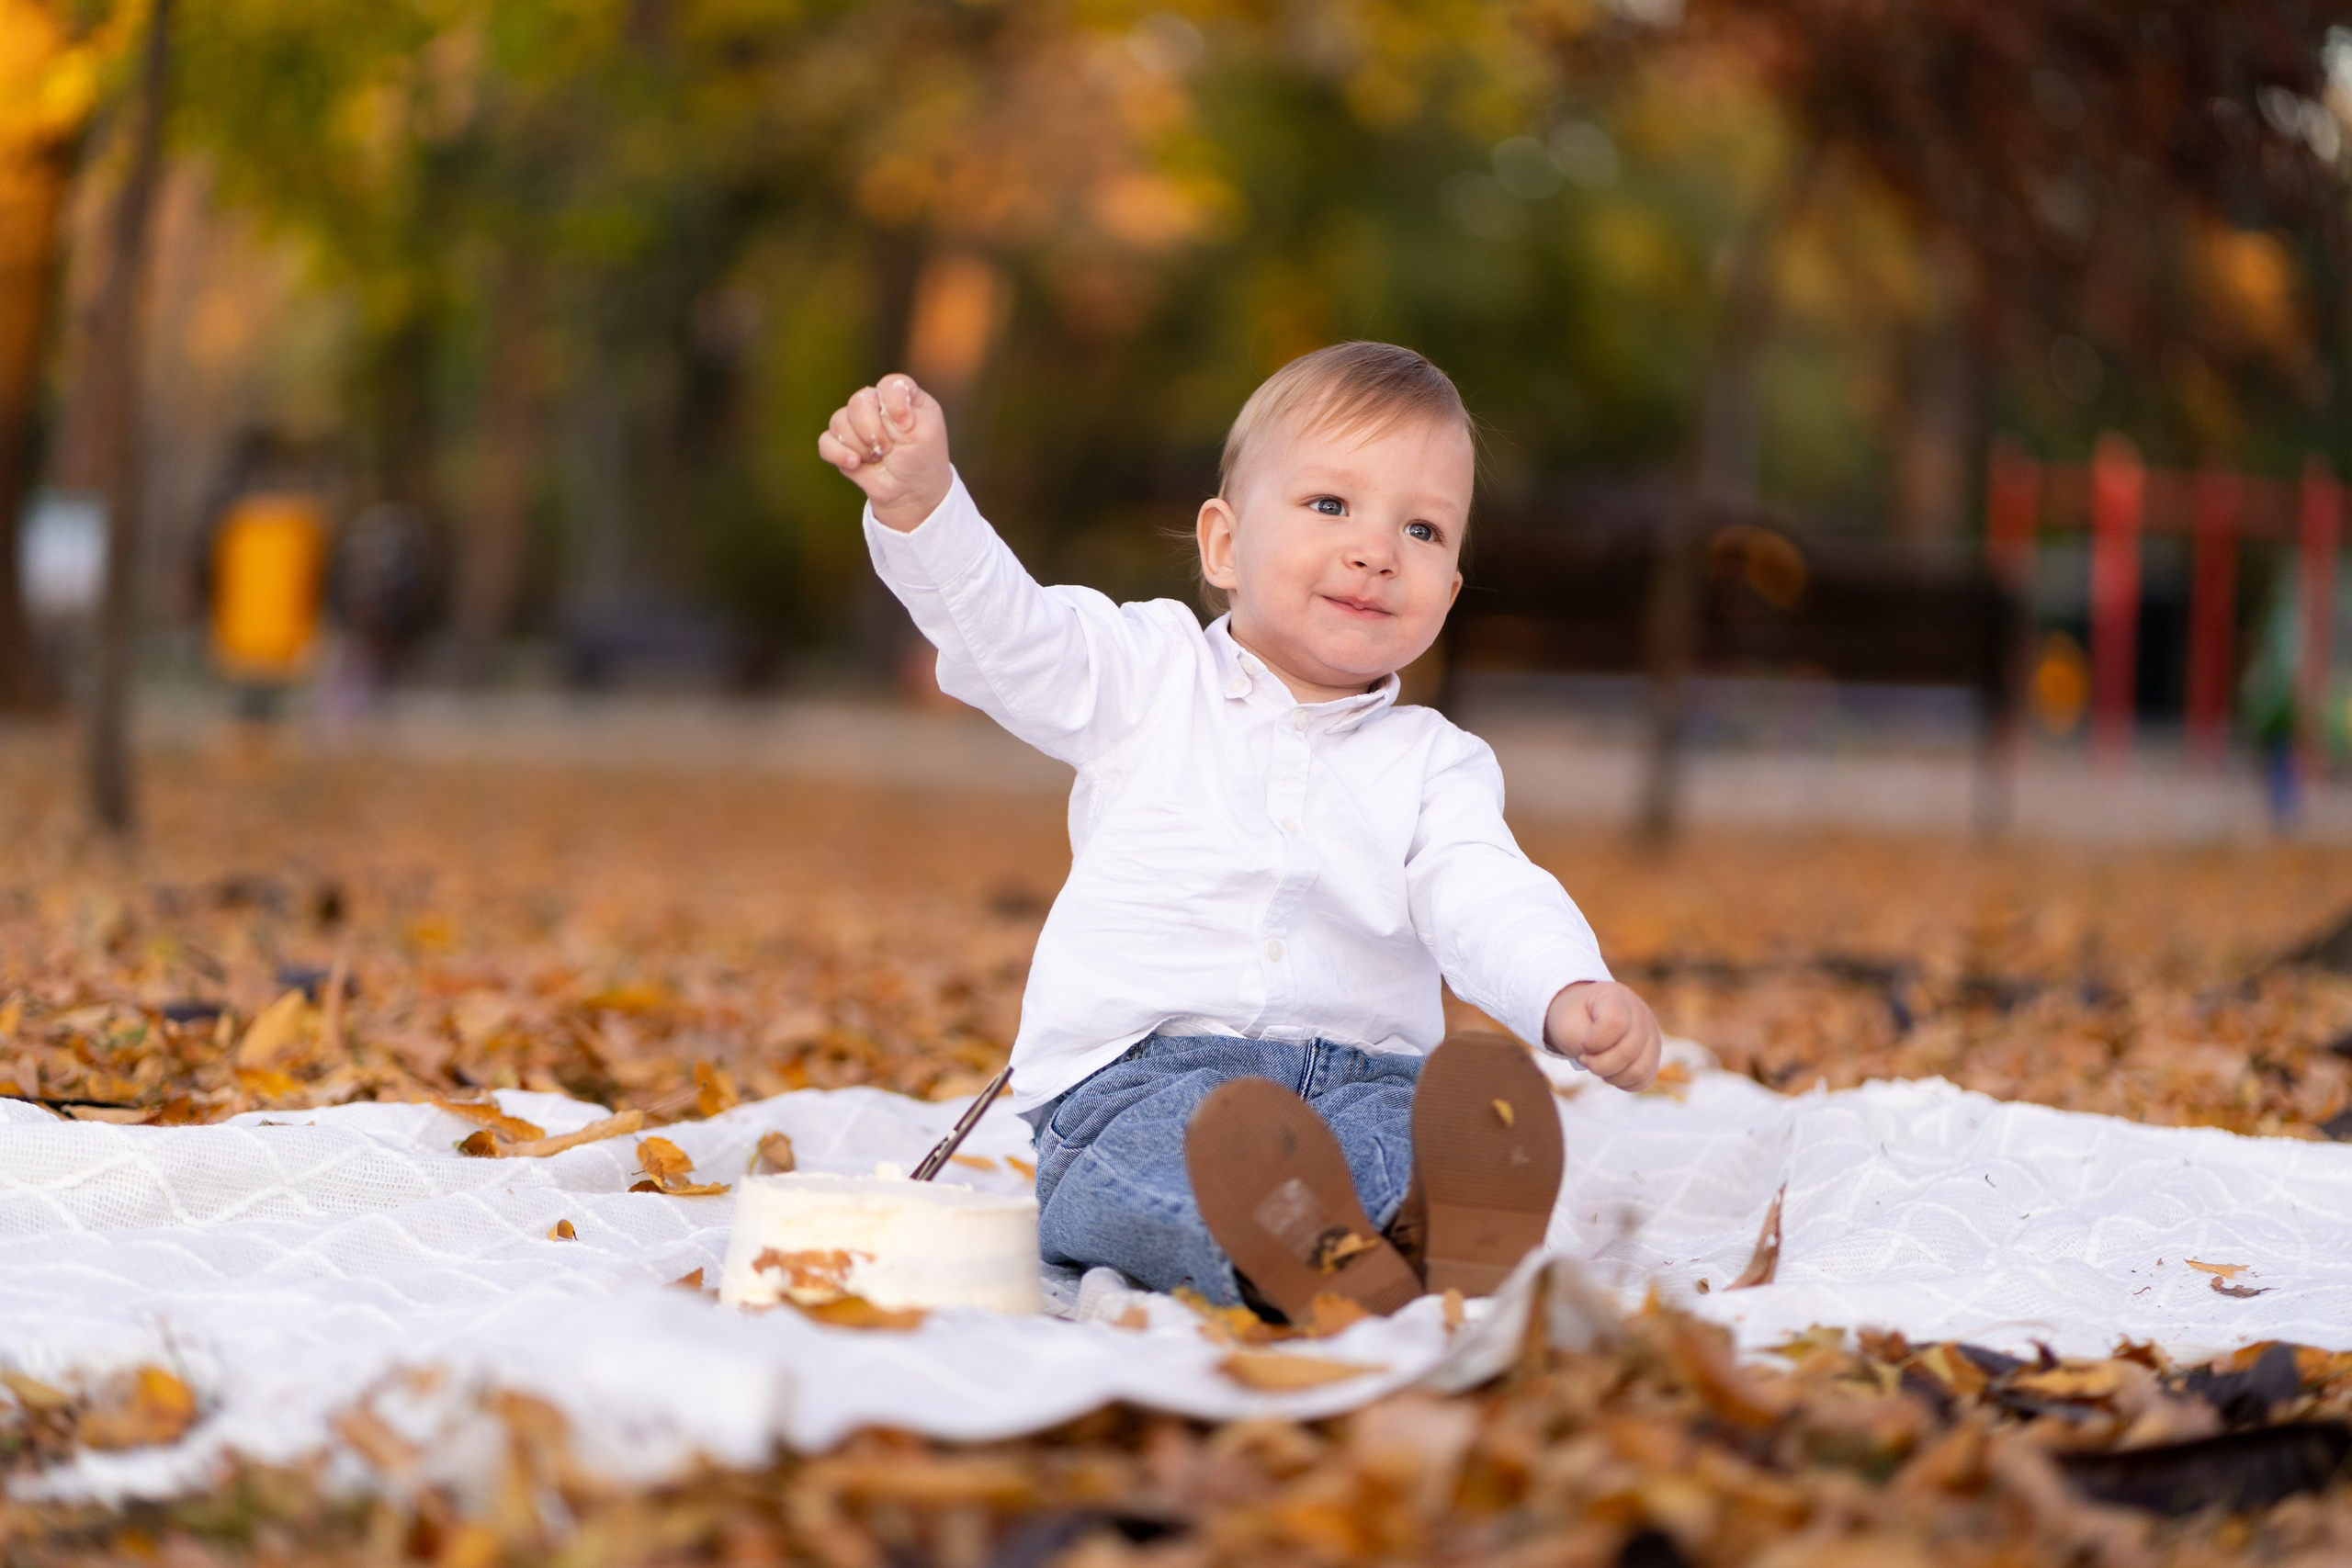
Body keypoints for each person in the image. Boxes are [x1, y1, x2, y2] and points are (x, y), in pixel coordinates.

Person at [818, 343, 1660, 1320]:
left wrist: (1563, 988)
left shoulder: (1435, 763)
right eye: (1331, 506)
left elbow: (1485, 888)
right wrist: (923, 511)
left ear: (1451, 592)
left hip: (1360, 1076)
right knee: (1144, 1169)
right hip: (1138, 1078)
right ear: (1222, 545)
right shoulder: (1143, 676)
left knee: (1406, 1123)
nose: (1376, 549)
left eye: (1422, 529)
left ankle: (1420, 1232)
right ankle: (1291, 1244)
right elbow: (1011, 636)